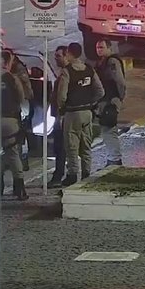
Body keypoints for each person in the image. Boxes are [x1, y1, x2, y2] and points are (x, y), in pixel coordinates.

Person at [56, 42, 104, 187]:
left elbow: (62, 95)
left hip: (73, 113)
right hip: (87, 113)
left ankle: (72, 175)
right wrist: (90, 102)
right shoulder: (89, 70)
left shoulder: (67, 71)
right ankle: (86, 173)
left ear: (69, 54)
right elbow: (100, 91)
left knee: (72, 146)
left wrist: (61, 108)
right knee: (86, 145)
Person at [0, 51, 28, 200]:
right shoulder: (11, 78)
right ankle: (20, 188)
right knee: (13, 153)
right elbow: (22, 98)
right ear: (7, 62)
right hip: (10, 121)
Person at [94, 39, 126, 166]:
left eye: (101, 47)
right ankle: (112, 158)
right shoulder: (102, 62)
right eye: (97, 47)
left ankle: (114, 159)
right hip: (104, 101)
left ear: (109, 48)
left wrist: (119, 99)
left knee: (109, 130)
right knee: (106, 130)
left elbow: (120, 82)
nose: (99, 50)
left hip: (110, 100)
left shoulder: (112, 62)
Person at [48, 45, 69, 188]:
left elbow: (62, 96)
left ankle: (59, 175)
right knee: (59, 146)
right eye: (55, 56)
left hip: (63, 116)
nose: (56, 59)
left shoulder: (66, 74)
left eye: (58, 56)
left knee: (61, 147)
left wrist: (61, 113)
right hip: (60, 115)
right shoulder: (63, 73)